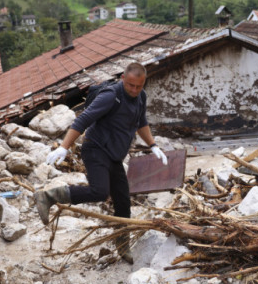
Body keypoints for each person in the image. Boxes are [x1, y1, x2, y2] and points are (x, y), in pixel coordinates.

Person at [34, 63, 167, 262]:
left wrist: (154, 145)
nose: (134, 90)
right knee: (100, 191)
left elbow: (141, 123)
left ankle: (122, 246)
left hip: (114, 155)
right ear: (123, 78)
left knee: (123, 202)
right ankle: (49, 195)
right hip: (95, 148)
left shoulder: (141, 97)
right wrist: (64, 146)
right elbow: (83, 120)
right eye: (130, 85)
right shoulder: (110, 96)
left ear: (143, 83)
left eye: (138, 86)